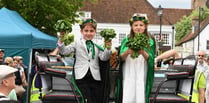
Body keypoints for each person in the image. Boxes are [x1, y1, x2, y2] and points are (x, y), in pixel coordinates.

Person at [57, 18, 112, 103]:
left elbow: (104, 58)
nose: (88, 33)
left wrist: (108, 49)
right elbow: (64, 51)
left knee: (95, 99)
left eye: (91, 31)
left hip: (95, 76)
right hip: (81, 76)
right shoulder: (77, 42)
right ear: (81, 31)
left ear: (95, 31)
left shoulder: (98, 44)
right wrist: (61, 40)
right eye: (86, 31)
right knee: (86, 99)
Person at [119, 13, 156, 103]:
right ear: (131, 26)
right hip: (129, 69)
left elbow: (150, 58)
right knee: (129, 90)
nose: (138, 27)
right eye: (135, 25)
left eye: (141, 25)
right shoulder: (126, 40)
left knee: (140, 90)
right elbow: (121, 58)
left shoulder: (150, 41)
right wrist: (127, 51)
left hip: (142, 69)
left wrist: (142, 52)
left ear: (145, 26)